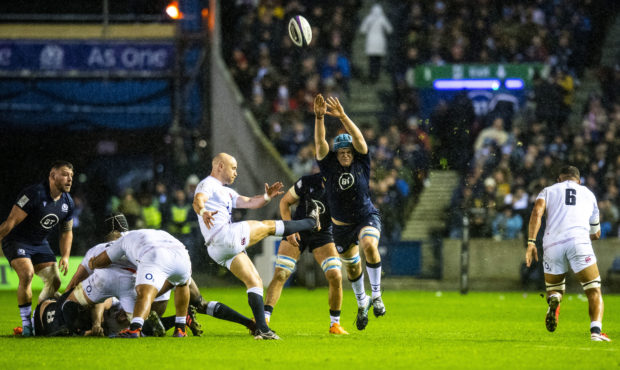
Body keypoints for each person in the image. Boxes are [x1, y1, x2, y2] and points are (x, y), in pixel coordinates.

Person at [193, 152, 321, 340]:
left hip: (216, 248)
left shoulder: (225, 191)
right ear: (220, 166)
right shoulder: (207, 184)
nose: (236, 172)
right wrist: (203, 211)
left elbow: (251, 202)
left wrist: (267, 197)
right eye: (233, 167)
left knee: (255, 282)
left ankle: (262, 329)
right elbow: (198, 201)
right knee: (268, 226)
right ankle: (311, 222)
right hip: (224, 236)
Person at [313, 94, 385, 331]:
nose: (345, 154)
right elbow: (320, 142)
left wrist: (342, 115)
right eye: (341, 152)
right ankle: (362, 303)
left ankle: (376, 297)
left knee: (369, 245)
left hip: (366, 216)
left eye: (348, 151)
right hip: (341, 226)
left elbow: (359, 138)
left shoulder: (362, 161)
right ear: (336, 154)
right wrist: (320, 118)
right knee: (353, 269)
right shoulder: (329, 165)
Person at [525, 165, 611, 341]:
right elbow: (596, 233)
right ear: (578, 181)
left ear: (559, 179)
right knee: (593, 290)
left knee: (555, 288)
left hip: (552, 243)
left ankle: (555, 300)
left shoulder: (548, 191)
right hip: (578, 241)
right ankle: (596, 332)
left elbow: (536, 213)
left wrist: (531, 242)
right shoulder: (588, 194)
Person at [264, 172, 348, 335]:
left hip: (323, 234)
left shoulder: (344, 188)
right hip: (298, 229)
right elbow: (285, 202)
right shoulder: (308, 181)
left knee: (335, 275)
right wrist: (289, 230)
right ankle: (263, 319)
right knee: (281, 273)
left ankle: (335, 325)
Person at [0, 160, 75, 337]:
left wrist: (65, 256)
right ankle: (26, 325)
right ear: (52, 175)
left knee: (55, 281)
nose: (69, 179)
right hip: (17, 241)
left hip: (40, 244)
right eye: (65, 174)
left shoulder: (68, 202)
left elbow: (66, 231)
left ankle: (35, 318)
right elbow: (11, 221)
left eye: (71, 175)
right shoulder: (34, 194)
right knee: (27, 274)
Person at [88, 229, 192, 338]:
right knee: (182, 284)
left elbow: (105, 259)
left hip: (155, 254)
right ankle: (180, 329)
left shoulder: (123, 240)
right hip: (182, 255)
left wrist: (93, 263)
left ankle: (135, 329)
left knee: (144, 293)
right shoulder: (152, 233)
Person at [359, 4, 393, 83]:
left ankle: (372, 75)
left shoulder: (369, 18)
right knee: (378, 61)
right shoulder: (382, 19)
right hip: (380, 42)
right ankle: (376, 75)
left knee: (371, 61)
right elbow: (389, 29)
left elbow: (362, 30)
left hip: (371, 42)